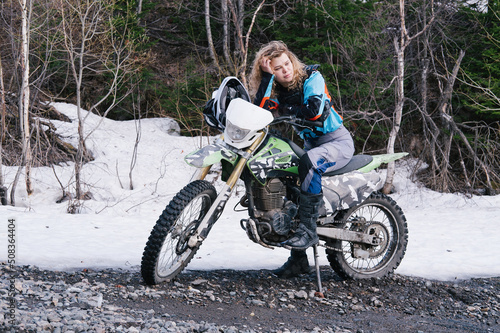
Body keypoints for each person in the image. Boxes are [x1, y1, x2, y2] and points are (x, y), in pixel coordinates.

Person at [248, 41, 355, 278]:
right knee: (287, 181)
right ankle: (298, 261)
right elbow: (261, 108)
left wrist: (284, 112)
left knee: (308, 162)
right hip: (311, 145)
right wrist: (266, 80)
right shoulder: (276, 87)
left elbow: (314, 110)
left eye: (287, 63)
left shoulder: (311, 78)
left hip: (336, 142)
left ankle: (308, 230)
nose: (285, 70)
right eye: (277, 68)